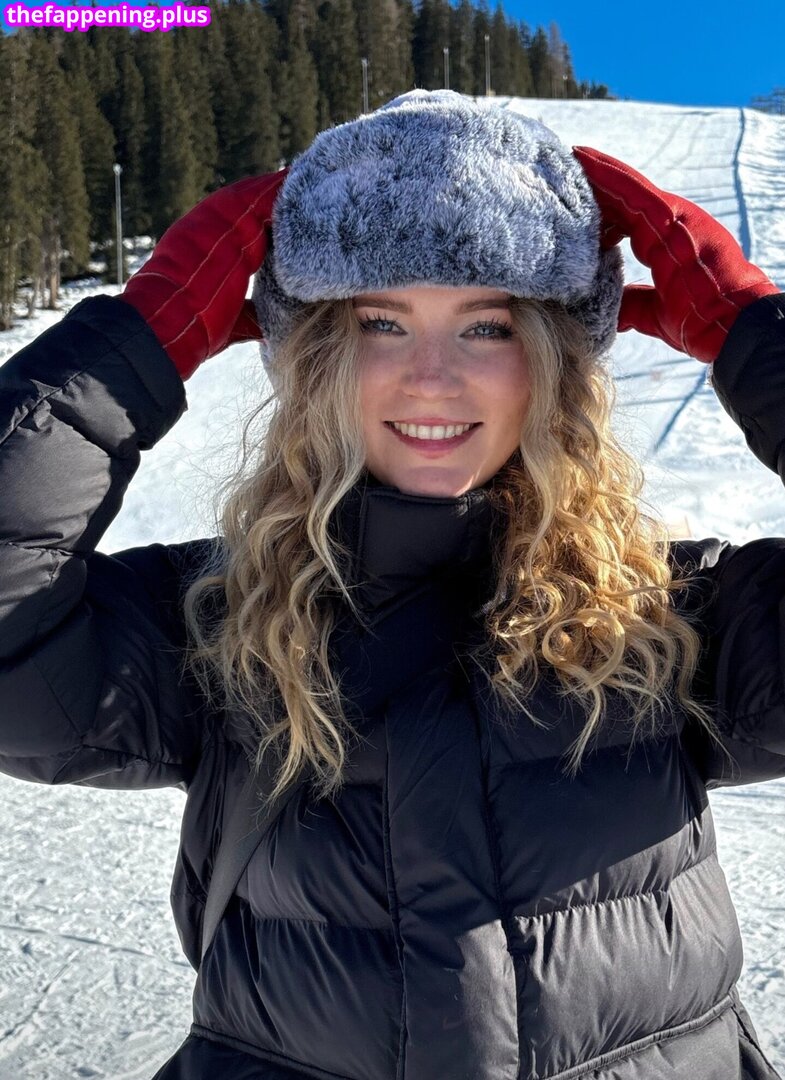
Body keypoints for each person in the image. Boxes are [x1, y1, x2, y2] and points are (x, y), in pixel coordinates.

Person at [0, 88, 783, 1080]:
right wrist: (128, 351)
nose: (431, 376)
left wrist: (752, 333)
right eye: (381, 322)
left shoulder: (666, 618)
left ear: (552, 361)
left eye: (487, 327)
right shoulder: (221, 620)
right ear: (317, 355)